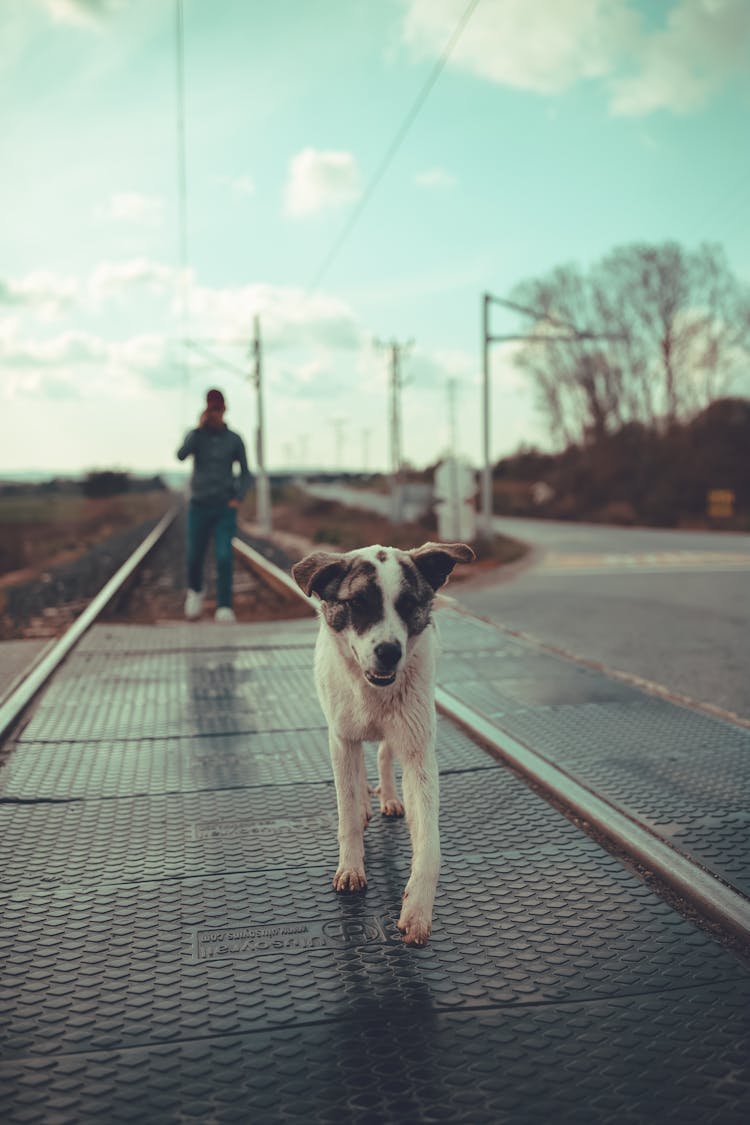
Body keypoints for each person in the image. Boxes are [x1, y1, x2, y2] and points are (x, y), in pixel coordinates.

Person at [176, 388, 252, 622]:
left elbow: (247, 474)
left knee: (223, 555)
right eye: (211, 409)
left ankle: (224, 606)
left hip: (223, 508)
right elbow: (181, 455)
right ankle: (196, 592)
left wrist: (237, 498)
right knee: (194, 556)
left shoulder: (234, 439)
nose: (215, 413)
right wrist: (197, 430)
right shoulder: (196, 436)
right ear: (206, 409)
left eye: (218, 409)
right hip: (199, 506)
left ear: (225, 409)